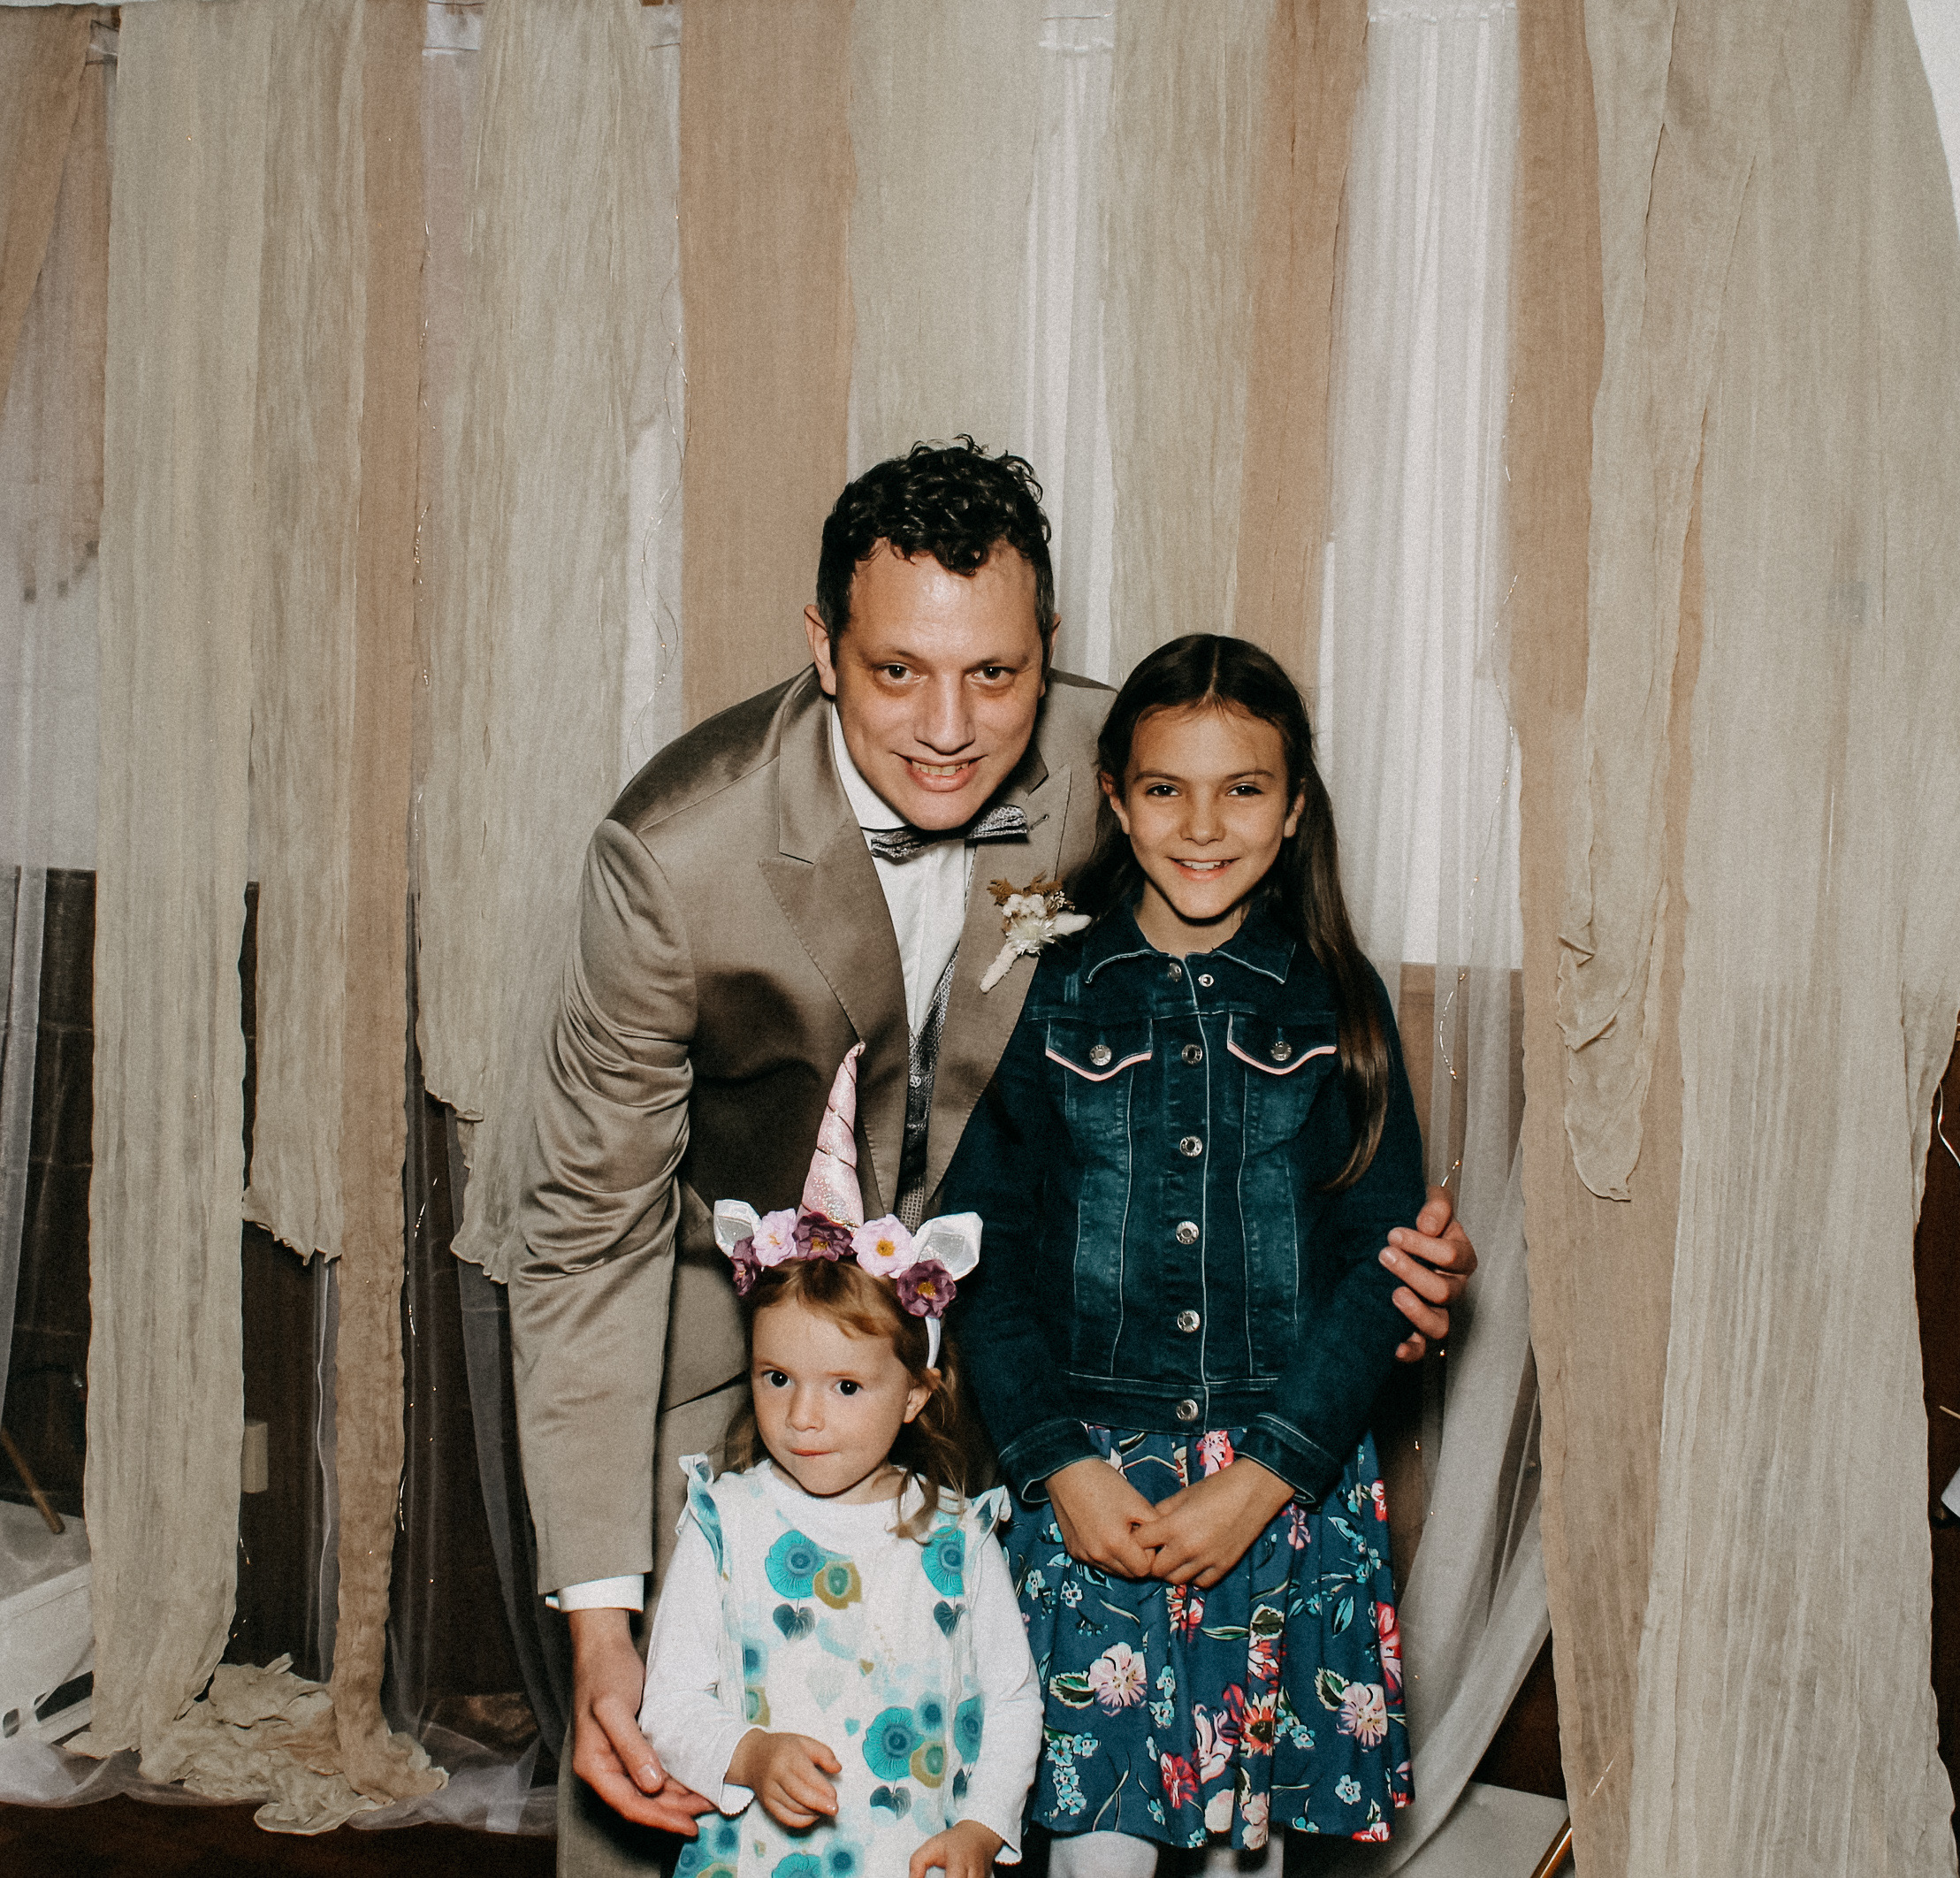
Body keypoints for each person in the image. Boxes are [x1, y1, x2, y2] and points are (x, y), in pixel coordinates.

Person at [514, 442, 1476, 1875]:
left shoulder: (1137, 773)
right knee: (678, 1784)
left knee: (985, 1796)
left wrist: (1392, 1258)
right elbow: (587, 1231)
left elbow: (1265, 1044)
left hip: (1028, 1354)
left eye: (997, 674)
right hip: (748, 1356)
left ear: (1051, 656)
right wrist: (602, 1618)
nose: (951, 729)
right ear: (822, 648)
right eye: (897, 670)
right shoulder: (673, 854)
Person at [945, 635, 1429, 1872]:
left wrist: (1262, 1480)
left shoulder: (1338, 999)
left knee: (1242, 1847)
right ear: (1116, 797)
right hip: (1090, 1492)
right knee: (1092, 1849)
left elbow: (1382, 1266)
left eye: (1243, 788)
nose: (1203, 826)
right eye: (1166, 788)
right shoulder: (1044, 990)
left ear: (1296, 805)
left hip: (1280, 1491)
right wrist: (1058, 1464)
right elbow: (977, 1253)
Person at [637, 1046, 1041, 1878]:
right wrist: (746, 1754)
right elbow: (669, 1704)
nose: (802, 1416)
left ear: (915, 1394)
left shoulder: (958, 1536)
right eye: (776, 1378)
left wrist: (980, 1827)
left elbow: (1009, 1700)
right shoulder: (727, 1522)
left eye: (846, 1386)